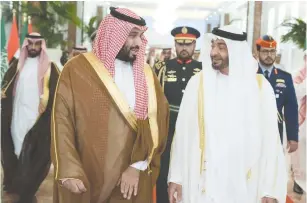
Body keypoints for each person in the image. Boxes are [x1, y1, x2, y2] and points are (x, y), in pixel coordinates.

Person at [51, 7, 169, 203]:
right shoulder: (77, 70)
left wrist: (137, 166)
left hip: (130, 181)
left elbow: (158, 124)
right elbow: (61, 121)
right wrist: (69, 170)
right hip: (88, 175)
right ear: (113, 34)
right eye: (132, 36)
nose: (138, 43)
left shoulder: (147, 75)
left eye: (141, 36)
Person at [168, 25, 287, 203]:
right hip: (205, 183)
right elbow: (183, 133)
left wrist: (269, 190)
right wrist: (176, 177)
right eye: (213, 46)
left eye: (221, 47)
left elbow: (271, 142)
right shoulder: (198, 83)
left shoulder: (260, 88)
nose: (214, 52)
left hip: (244, 183)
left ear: (235, 51)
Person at [1, 32, 60, 203]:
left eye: (37, 44)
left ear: (41, 46)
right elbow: (6, 87)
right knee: (17, 151)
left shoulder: (51, 68)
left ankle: (27, 188)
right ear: (26, 45)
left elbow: (56, 95)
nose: (33, 48)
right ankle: (16, 187)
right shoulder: (17, 65)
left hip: (37, 120)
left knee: (34, 153)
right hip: (17, 118)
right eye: (30, 44)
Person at [155, 26, 202, 203]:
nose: (184, 48)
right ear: (175, 44)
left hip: (195, 125)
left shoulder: (203, 70)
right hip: (168, 126)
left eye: (188, 44)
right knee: (165, 168)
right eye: (180, 44)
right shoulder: (163, 68)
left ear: (194, 45)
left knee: (192, 166)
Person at [256, 35, 299, 152]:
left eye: (272, 51)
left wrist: (293, 137)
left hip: (274, 133)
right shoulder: (249, 74)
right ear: (258, 51)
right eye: (265, 51)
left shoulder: (285, 77)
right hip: (251, 131)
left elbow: (291, 109)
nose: (269, 55)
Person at [291, 50, 306, 195]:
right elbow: (297, 92)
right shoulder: (298, 73)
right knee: (300, 151)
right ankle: (298, 180)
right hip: (303, 119)